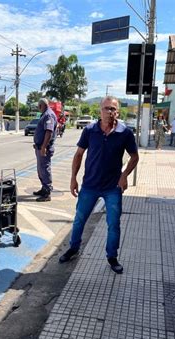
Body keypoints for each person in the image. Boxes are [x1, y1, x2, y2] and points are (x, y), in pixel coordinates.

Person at [59, 96, 139, 274]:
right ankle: (73, 248)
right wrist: (73, 178)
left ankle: (112, 257)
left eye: (113, 109)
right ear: (100, 110)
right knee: (79, 219)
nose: (109, 112)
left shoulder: (124, 133)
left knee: (113, 224)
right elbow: (79, 154)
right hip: (89, 186)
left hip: (112, 187)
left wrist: (124, 175)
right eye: (106, 108)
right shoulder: (89, 130)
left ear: (117, 111)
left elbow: (135, 157)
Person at [33, 98, 57, 202]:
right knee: (41, 169)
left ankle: (47, 193)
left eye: (39, 106)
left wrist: (43, 147)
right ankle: (44, 188)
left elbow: (49, 132)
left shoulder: (48, 115)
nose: (38, 108)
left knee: (45, 169)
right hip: (40, 147)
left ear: (41, 106)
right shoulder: (45, 114)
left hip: (45, 148)